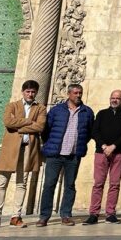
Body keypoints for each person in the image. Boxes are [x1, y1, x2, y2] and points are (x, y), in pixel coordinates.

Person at [0, 80, 46, 229]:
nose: (30, 94)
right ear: (22, 92)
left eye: (33, 92)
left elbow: (40, 126)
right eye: (28, 91)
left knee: (21, 183)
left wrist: (18, 126)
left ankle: (16, 216)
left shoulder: (41, 108)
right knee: (1, 182)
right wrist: (28, 122)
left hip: (28, 149)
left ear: (36, 93)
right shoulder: (12, 106)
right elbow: (7, 122)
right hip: (10, 149)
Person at [36, 83, 94, 227]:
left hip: (73, 155)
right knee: (49, 185)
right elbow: (46, 130)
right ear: (68, 94)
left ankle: (66, 215)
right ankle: (44, 216)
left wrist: (79, 144)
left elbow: (88, 133)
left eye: (80, 93)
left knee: (70, 185)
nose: (78, 95)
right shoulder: (57, 110)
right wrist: (50, 145)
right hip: (55, 154)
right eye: (75, 93)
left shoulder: (87, 112)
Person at [85, 89, 121, 225]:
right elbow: (95, 131)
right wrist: (103, 146)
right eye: (113, 97)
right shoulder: (102, 114)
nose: (115, 100)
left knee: (114, 184)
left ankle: (110, 213)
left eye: (118, 98)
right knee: (98, 184)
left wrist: (114, 146)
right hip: (101, 152)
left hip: (119, 153)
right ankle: (93, 214)